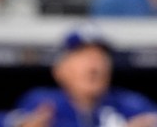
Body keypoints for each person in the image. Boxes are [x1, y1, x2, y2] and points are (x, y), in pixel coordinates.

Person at [9, 24, 157, 126]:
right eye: (84, 57)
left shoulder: (131, 104)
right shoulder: (42, 103)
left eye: (100, 57)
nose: (94, 66)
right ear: (60, 70)